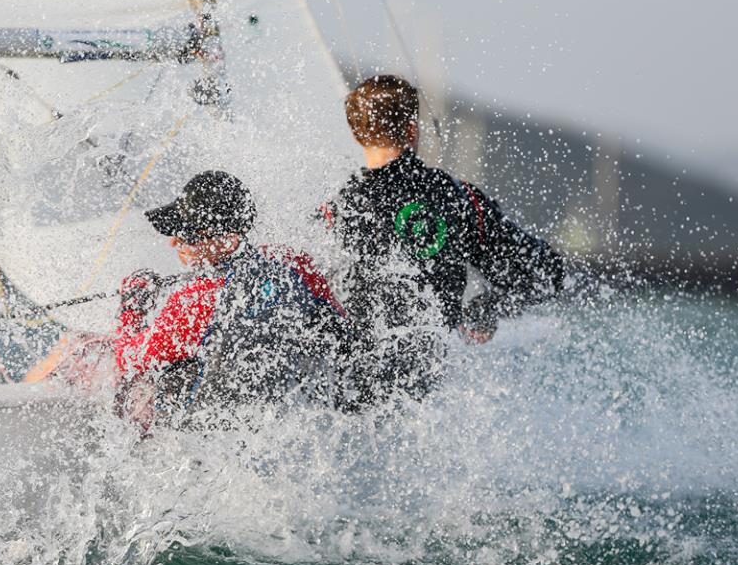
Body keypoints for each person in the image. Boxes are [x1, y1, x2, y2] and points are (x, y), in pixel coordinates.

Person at [319, 75, 564, 409]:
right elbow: (547, 272)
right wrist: (487, 308)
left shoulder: (337, 210)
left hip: (350, 392)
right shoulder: (459, 199)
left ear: (356, 134)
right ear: (412, 130)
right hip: (427, 398)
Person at [114, 170, 344, 426]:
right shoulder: (292, 263)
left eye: (186, 235)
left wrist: (132, 305)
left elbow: (128, 359)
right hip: (295, 407)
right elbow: (338, 322)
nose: (174, 243)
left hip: (214, 426)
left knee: (115, 365)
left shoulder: (194, 301)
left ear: (225, 239)